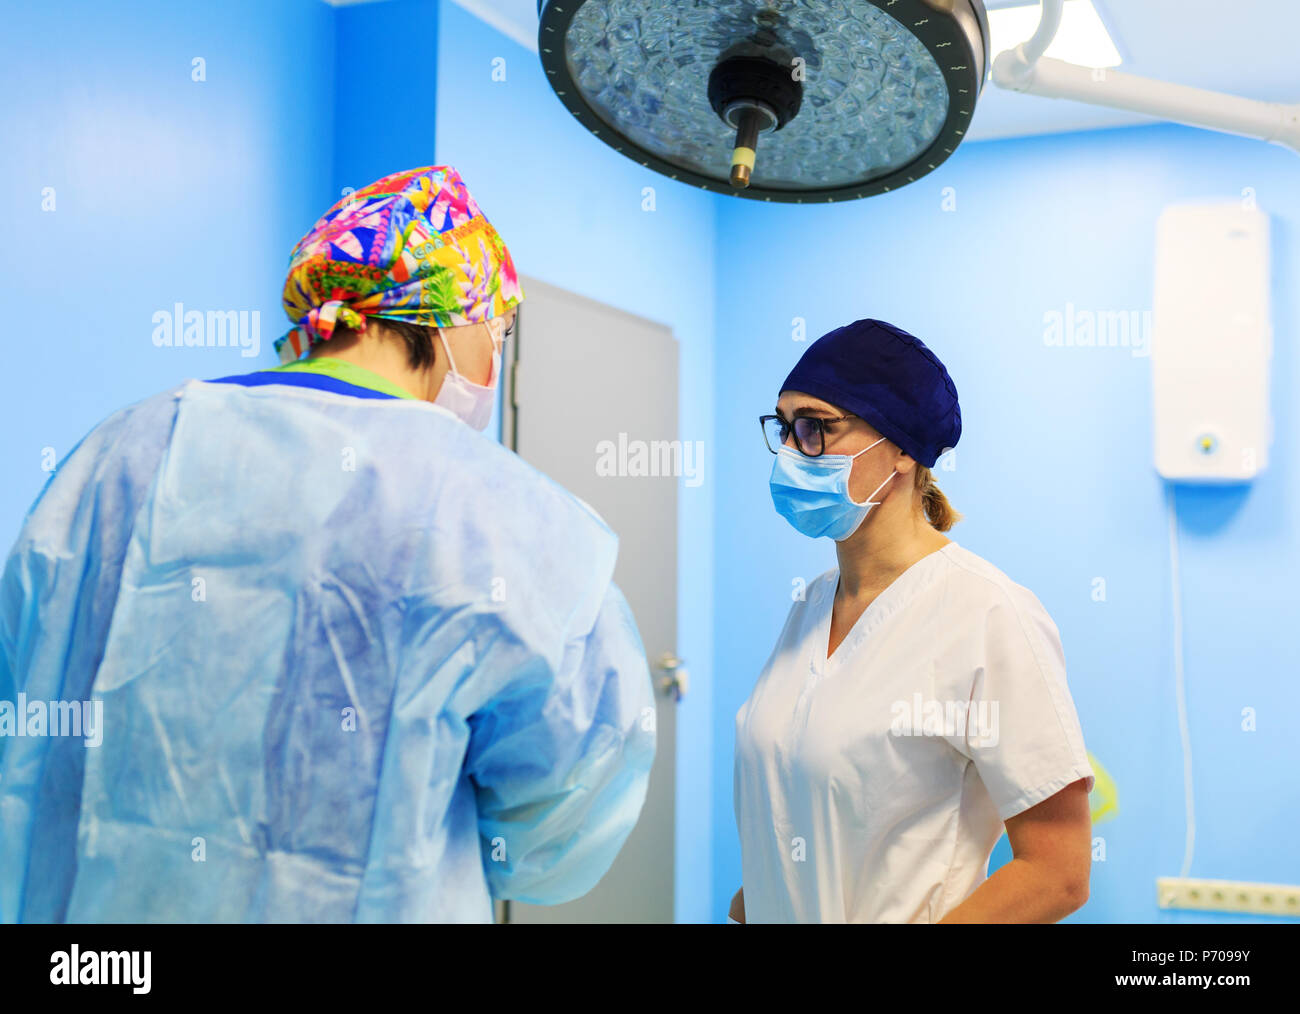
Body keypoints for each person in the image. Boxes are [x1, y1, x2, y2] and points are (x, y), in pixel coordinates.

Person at [0, 165, 655, 923]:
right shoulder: (506, 515)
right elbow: (561, 819)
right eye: (498, 330)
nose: (494, 357)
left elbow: (25, 693)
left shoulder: (115, 456)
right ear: (451, 320)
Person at [731, 318, 1094, 924]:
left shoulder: (988, 613)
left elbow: (1058, 872)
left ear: (901, 449)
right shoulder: (813, 605)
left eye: (815, 427)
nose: (792, 452)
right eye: (784, 427)